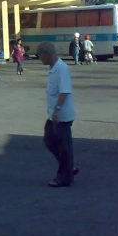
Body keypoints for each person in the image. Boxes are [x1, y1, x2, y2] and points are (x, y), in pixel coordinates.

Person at [37, 41, 79, 188]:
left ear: (47, 53)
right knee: (49, 140)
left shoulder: (61, 68)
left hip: (61, 115)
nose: (39, 58)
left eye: (40, 55)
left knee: (64, 146)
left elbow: (65, 91)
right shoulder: (53, 68)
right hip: (54, 114)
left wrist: (57, 110)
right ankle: (69, 167)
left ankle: (65, 178)